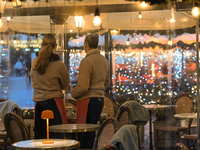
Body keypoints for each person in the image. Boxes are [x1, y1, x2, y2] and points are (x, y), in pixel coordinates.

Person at [71, 33, 110, 149]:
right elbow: (107, 83)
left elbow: (83, 87)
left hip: (87, 101)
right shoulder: (104, 60)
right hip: (99, 100)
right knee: (92, 132)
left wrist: (73, 93)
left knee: (84, 134)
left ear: (86, 44)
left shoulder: (86, 61)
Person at [30, 34, 70, 139]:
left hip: (39, 105)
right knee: (58, 138)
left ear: (42, 45)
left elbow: (33, 82)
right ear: (56, 46)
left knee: (40, 138)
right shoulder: (60, 65)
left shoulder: (34, 62)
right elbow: (65, 85)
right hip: (55, 104)